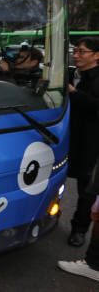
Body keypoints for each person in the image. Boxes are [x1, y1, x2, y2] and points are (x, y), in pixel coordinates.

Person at [62, 37, 99, 247]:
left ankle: (79, 230)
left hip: (89, 142)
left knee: (86, 192)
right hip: (65, 136)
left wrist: (75, 93)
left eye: (82, 52)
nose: (76, 55)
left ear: (96, 55)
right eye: (75, 51)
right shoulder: (69, 73)